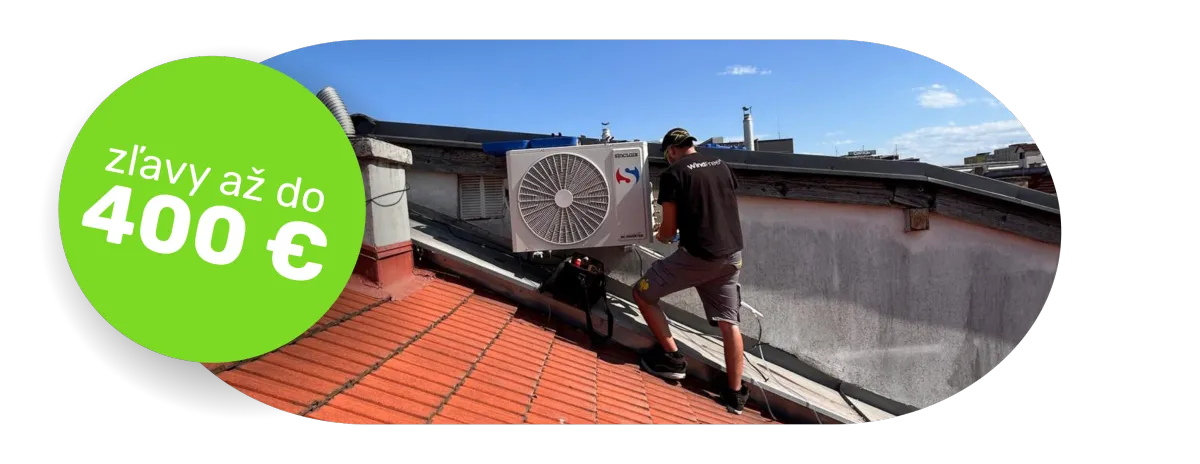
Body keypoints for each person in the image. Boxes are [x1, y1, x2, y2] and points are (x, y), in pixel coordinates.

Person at [633, 127, 749, 414]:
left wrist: (660, 235)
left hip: (698, 258)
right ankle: (735, 396)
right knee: (729, 323)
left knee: (642, 293)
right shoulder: (721, 164)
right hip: (731, 256)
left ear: (671, 151)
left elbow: (667, 231)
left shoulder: (673, 174)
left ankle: (672, 359)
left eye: (667, 154)